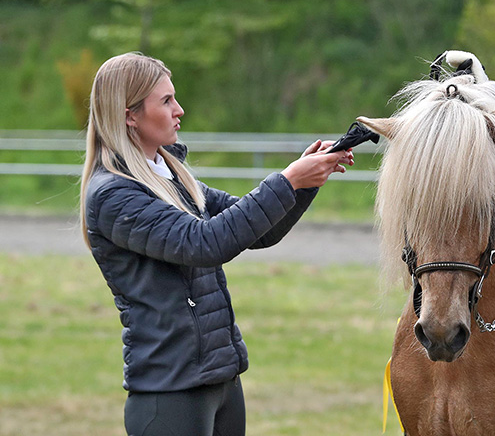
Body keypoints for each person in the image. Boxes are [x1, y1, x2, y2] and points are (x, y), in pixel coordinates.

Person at [81, 52, 353, 436]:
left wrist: (305, 184)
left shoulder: (172, 176)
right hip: (169, 392)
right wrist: (287, 180)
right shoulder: (114, 196)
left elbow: (256, 230)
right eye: (166, 101)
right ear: (130, 115)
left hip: (220, 381)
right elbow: (205, 243)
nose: (179, 110)